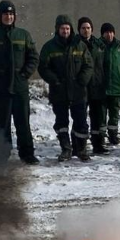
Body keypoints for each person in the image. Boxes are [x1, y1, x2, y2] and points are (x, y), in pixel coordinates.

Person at [0, 0, 40, 166]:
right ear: (0, 16)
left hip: (20, 87)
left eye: (11, 14)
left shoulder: (23, 35)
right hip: (1, 87)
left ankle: (27, 154)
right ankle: (1, 155)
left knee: (23, 122)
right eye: (6, 14)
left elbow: (34, 57)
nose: (9, 17)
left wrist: (25, 74)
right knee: (2, 123)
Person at [39, 15, 93, 162]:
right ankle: (66, 149)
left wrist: (82, 80)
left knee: (81, 121)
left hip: (78, 91)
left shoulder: (80, 45)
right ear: (57, 29)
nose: (65, 31)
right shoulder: (49, 47)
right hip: (59, 92)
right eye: (62, 28)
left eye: (68, 28)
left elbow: (88, 65)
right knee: (61, 122)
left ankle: (80, 149)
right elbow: (43, 67)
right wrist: (54, 80)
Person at [77, 16, 108, 156]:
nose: (86, 30)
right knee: (80, 118)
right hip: (82, 87)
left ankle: (98, 144)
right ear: (79, 30)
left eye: (88, 28)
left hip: (97, 86)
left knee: (98, 117)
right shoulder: (75, 44)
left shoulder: (99, 45)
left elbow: (105, 65)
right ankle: (79, 146)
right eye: (83, 28)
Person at [100, 23, 120, 147]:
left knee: (114, 113)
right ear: (102, 34)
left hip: (116, 86)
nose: (109, 34)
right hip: (102, 87)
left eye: (111, 32)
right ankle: (100, 137)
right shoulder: (98, 46)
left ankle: (113, 134)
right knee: (101, 114)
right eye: (106, 32)